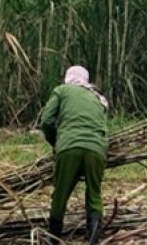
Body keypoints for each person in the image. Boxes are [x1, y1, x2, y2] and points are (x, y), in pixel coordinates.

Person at [40, 66, 109, 244]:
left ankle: (54, 238)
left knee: (61, 194)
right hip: (97, 149)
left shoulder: (62, 90)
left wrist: (56, 142)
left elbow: (46, 121)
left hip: (69, 147)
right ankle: (93, 238)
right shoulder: (99, 98)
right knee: (94, 193)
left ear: (68, 77)